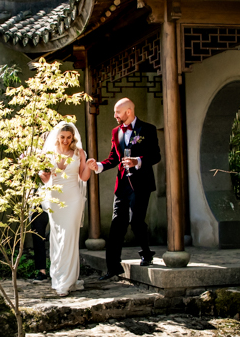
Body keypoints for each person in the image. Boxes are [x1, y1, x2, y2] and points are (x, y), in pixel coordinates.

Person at [93, 98, 161, 279]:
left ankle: (146, 253)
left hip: (141, 184)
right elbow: (113, 158)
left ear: (128, 112)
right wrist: (98, 166)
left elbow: (155, 156)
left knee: (136, 221)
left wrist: (137, 161)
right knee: (116, 224)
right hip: (122, 184)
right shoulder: (116, 132)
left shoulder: (148, 129)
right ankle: (113, 268)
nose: (115, 116)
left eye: (117, 112)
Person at [39, 122, 96, 296]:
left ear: (73, 138)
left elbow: (83, 176)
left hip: (73, 199)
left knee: (70, 237)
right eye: (62, 137)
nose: (65, 140)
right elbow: (45, 178)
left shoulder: (79, 153)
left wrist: (90, 168)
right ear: (57, 136)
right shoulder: (48, 153)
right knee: (57, 238)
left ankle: (67, 280)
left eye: (68, 137)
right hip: (55, 199)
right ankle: (58, 278)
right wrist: (41, 172)